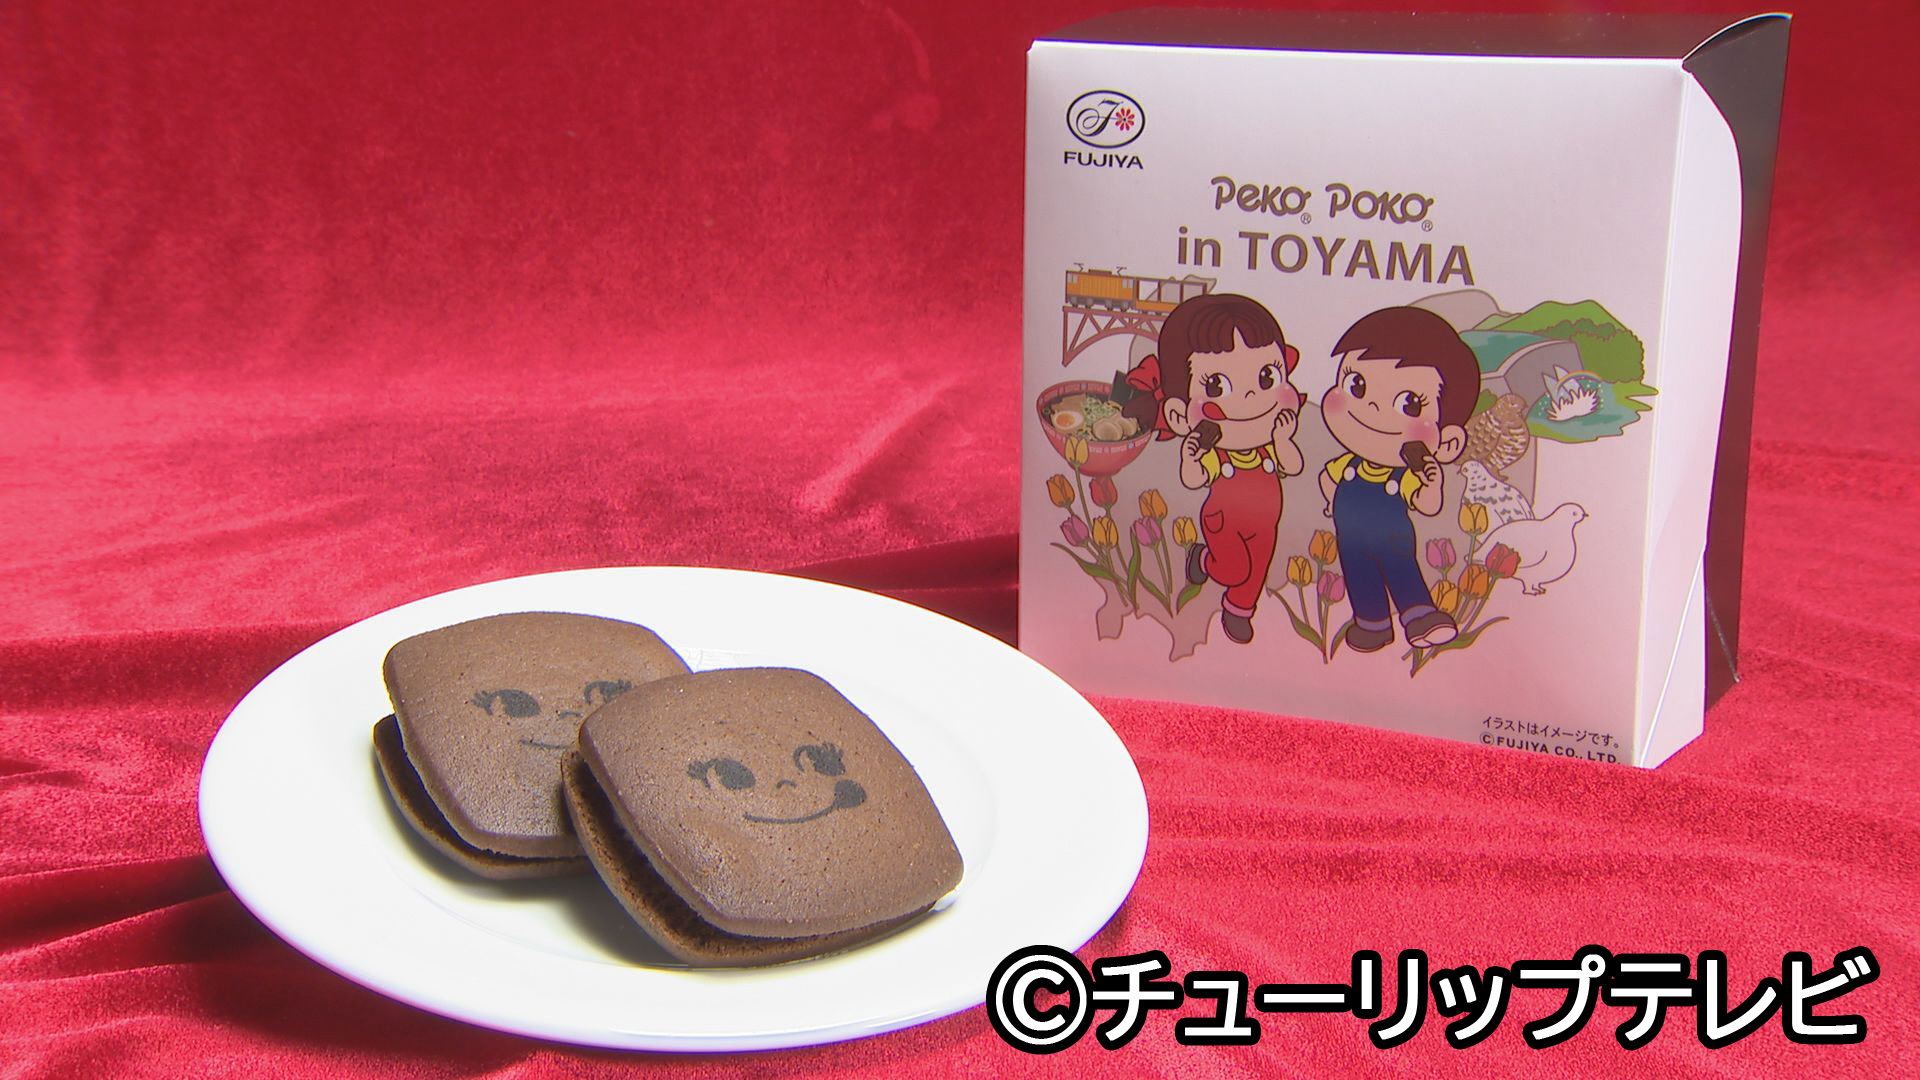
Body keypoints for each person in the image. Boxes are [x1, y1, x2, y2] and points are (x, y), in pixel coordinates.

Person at [1121, 293, 1303, 644]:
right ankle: (1203, 559)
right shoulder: (1218, 455)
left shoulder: (1268, 446)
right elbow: (1194, 480)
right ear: (1179, 415)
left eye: (1267, 377)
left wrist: (1282, 439)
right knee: (1234, 569)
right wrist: (1191, 458)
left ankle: (1239, 610)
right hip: (1223, 521)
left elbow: (1293, 465)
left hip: (1266, 522)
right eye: (1217, 386)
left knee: (1257, 569)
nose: (1250, 398)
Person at [1316, 306, 1481, 652]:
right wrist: (1331, 504)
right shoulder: (1347, 465)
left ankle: (1420, 615)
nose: (1372, 409)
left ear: (1447, 441)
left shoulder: (1402, 475)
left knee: (1402, 572)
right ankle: (1371, 624)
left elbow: (1426, 505)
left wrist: (1431, 485)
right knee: (1359, 578)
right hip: (1351, 540)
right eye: (1356, 385)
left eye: (1410, 404)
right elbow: (1328, 480)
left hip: (1393, 542)